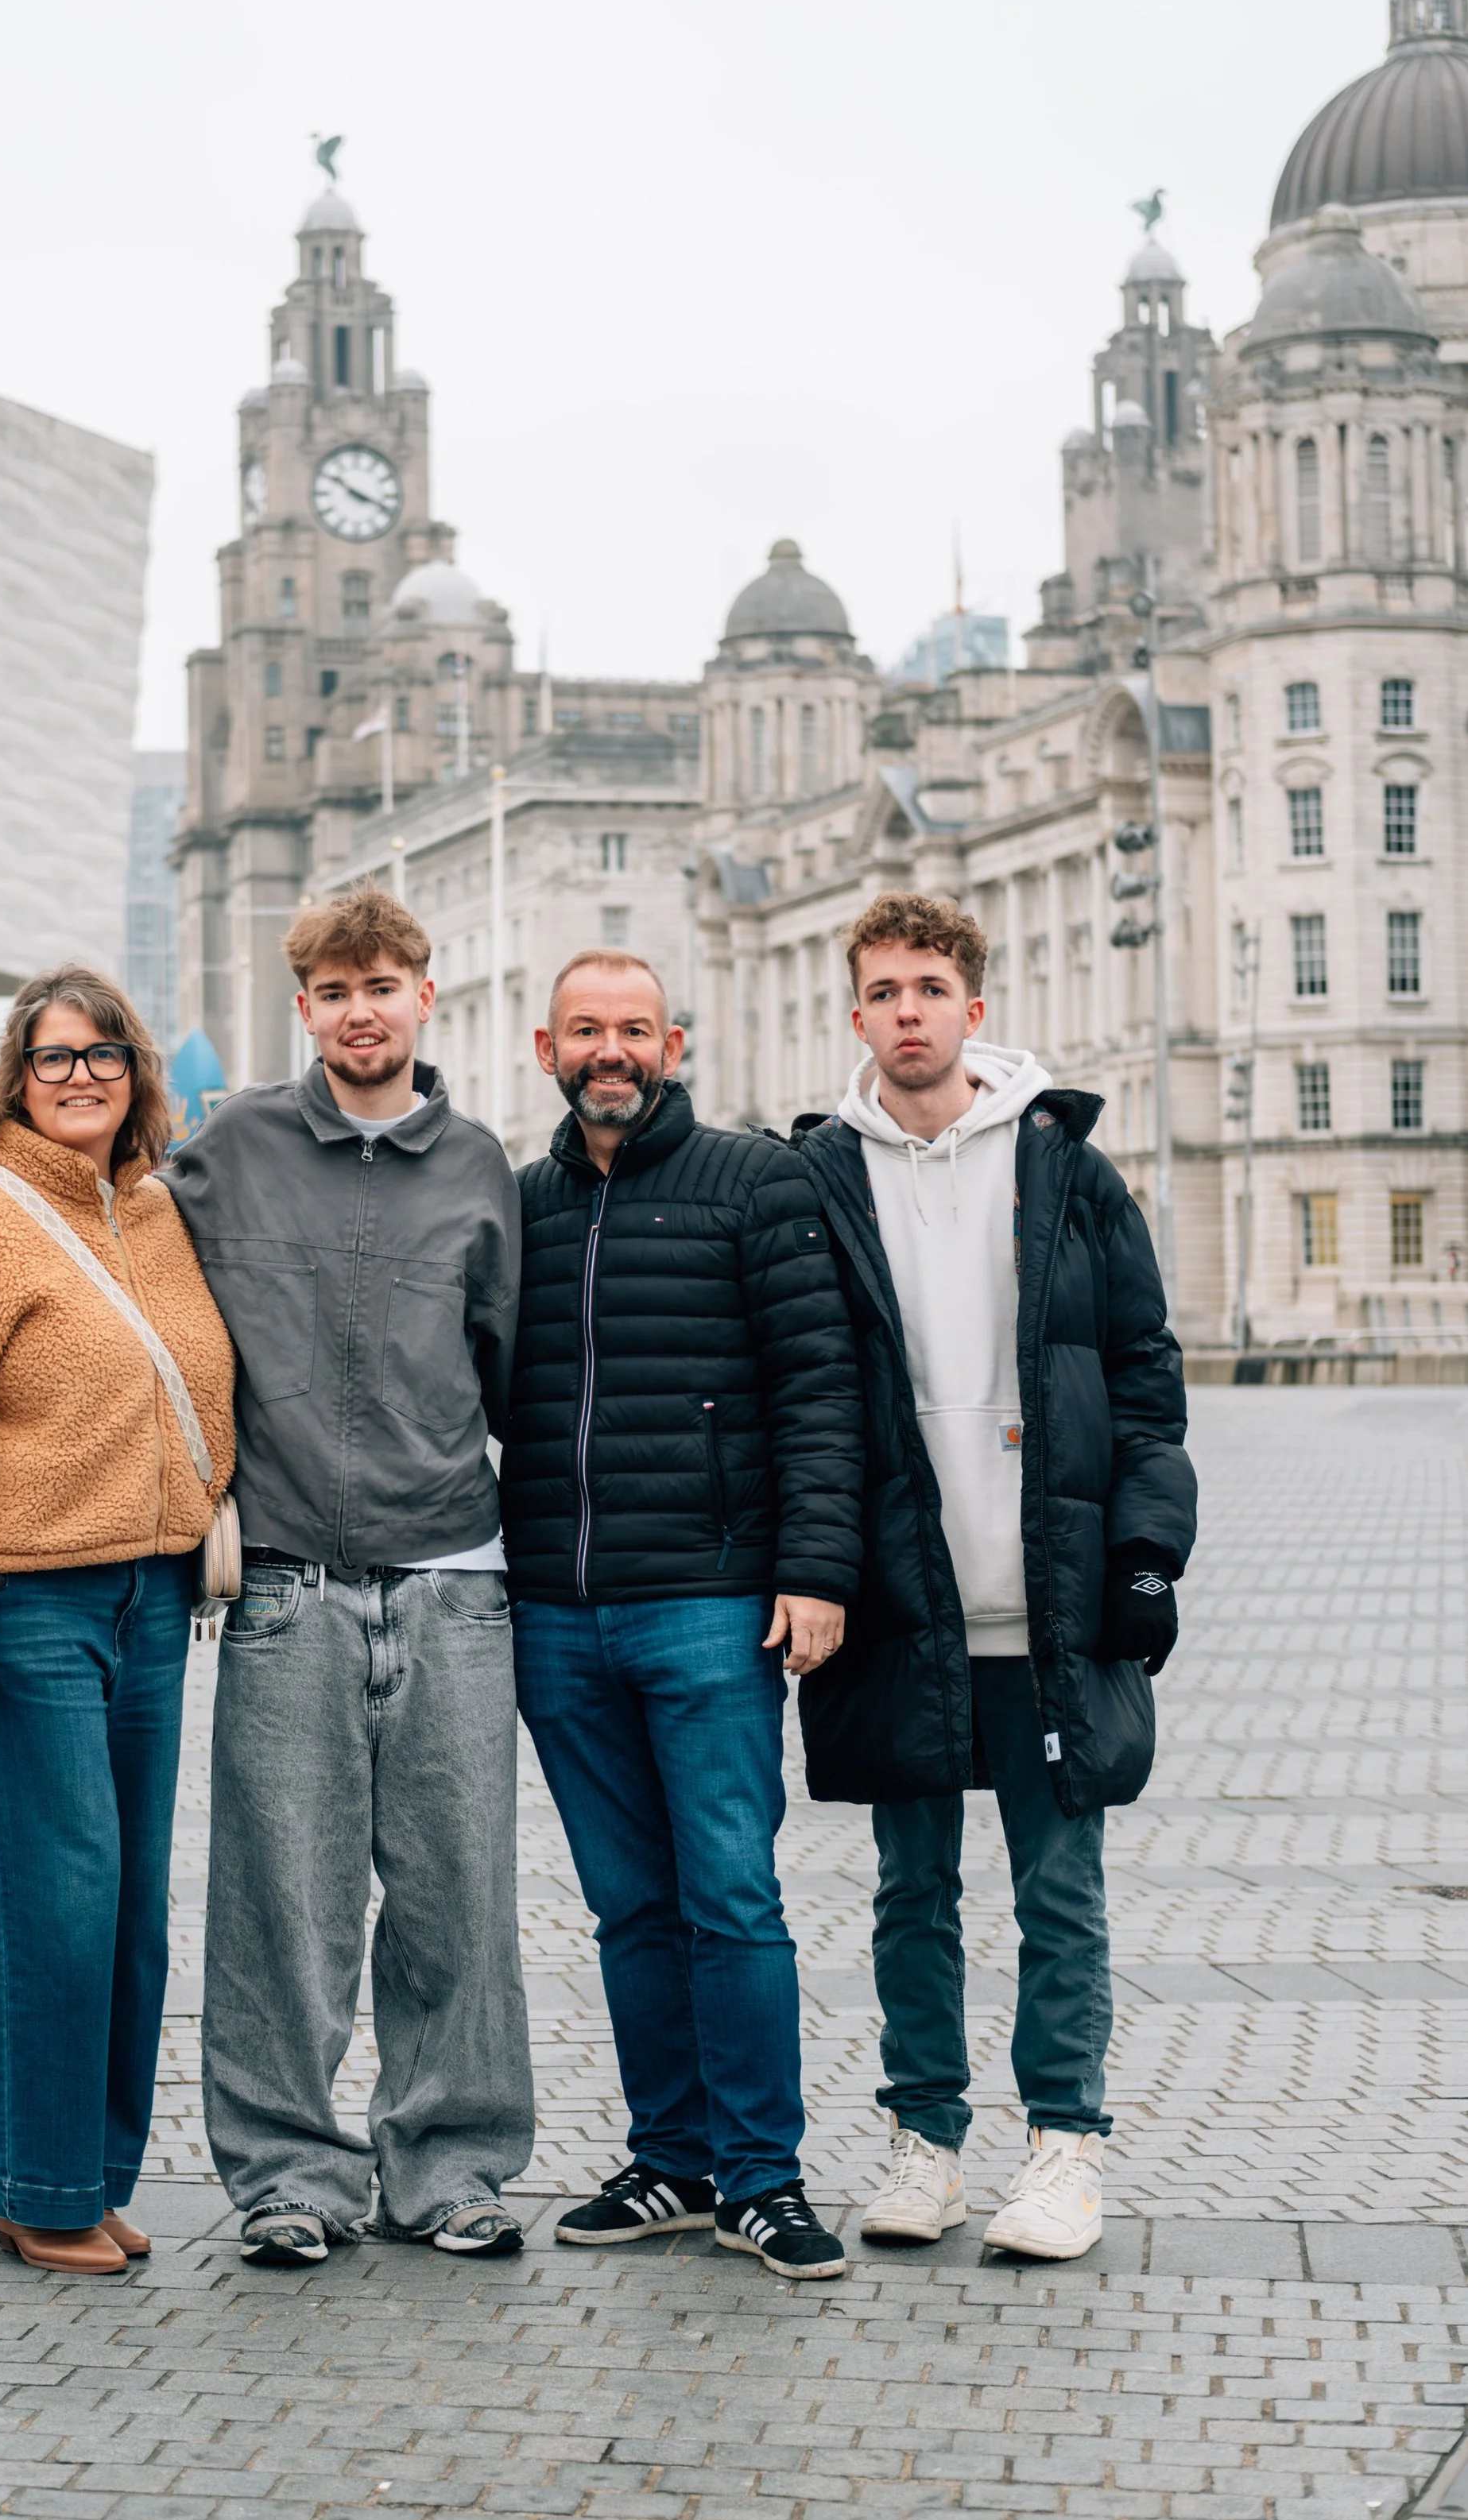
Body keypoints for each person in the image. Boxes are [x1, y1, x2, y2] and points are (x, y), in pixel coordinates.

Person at [790, 892, 1195, 2261]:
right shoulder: (816, 1178)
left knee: (1057, 1888)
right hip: (900, 1599)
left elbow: (1142, 1369)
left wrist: (1147, 1556)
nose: (907, 1009)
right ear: (855, 1015)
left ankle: (1064, 2148)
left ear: (976, 1007)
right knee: (911, 1891)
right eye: (883, 989)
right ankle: (926, 2140)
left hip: (1048, 1598)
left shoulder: (1068, 1168)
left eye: (930, 986)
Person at [161, 884, 533, 2267]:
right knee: (281, 1897)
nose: (361, 1009)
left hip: (452, 1573)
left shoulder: (479, 1162)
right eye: (333, 989)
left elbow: (509, 1363)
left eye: (384, 984)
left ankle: (452, 2164)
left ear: (425, 996)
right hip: (287, 1586)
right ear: (304, 1006)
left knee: (458, 1893)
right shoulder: (234, 1146)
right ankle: (290, 2178)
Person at [0, 966, 234, 2276]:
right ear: (16, 1076)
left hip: (150, 1605)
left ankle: (87, 2176)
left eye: (105, 1054)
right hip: (25, 1609)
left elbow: (194, 1378)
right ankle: (36, 2188)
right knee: (49, 1907)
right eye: (53, 1057)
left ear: (139, 1074)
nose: (81, 1077)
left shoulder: (158, 1213)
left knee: (127, 1909)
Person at [502, 950, 863, 2282]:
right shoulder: (521, 1203)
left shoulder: (757, 1182)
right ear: (547, 1047)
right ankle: (673, 2156)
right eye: (587, 1030)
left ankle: (764, 2177)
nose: (612, 1051)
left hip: (711, 1607)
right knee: (628, 1908)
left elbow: (821, 1387)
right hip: (557, 1610)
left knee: (731, 1897)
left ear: (676, 1042)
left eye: (634, 1030)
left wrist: (815, 1569)